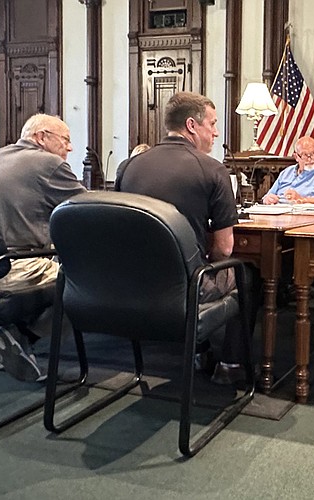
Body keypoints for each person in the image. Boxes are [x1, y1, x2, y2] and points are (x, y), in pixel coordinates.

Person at [116, 91, 253, 386]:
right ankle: (229, 366)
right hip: (185, 290)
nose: (216, 132)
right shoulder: (212, 170)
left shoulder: (127, 167)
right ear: (192, 125)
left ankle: (201, 350)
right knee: (247, 274)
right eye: (213, 124)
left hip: (128, 288)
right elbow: (224, 248)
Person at [0, 113, 87, 382]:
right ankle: (22, 336)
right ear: (41, 138)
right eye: (66, 140)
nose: (70, 148)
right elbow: (88, 209)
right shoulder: (48, 163)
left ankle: (13, 338)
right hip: (22, 263)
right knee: (87, 286)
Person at [260, 136, 314, 207]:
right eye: (305, 155)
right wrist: (267, 199)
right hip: (278, 215)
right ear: (296, 157)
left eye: (313, 154)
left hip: (305, 221)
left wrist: (302, 199)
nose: (310, 159)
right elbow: (268, 196)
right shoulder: (286, 172)